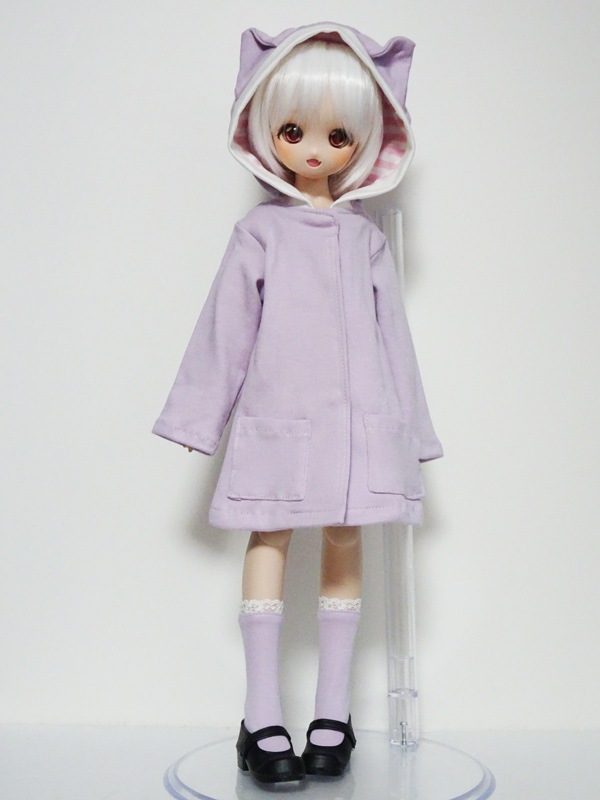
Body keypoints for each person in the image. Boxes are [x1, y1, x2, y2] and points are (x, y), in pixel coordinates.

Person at [153, 23, 442, 784]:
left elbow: (395, 338)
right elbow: (225, 328)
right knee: (269, 535)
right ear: (265, 131)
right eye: (294, 130)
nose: (315, 149)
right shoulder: (260, 233)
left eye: (338, 135)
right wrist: (196, 418)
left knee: (346, 537)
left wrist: (411, 431)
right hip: (278, 416)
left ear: (368, 142)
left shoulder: (366, 240)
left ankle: (332, 712)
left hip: (356, 425)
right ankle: (260, 716)